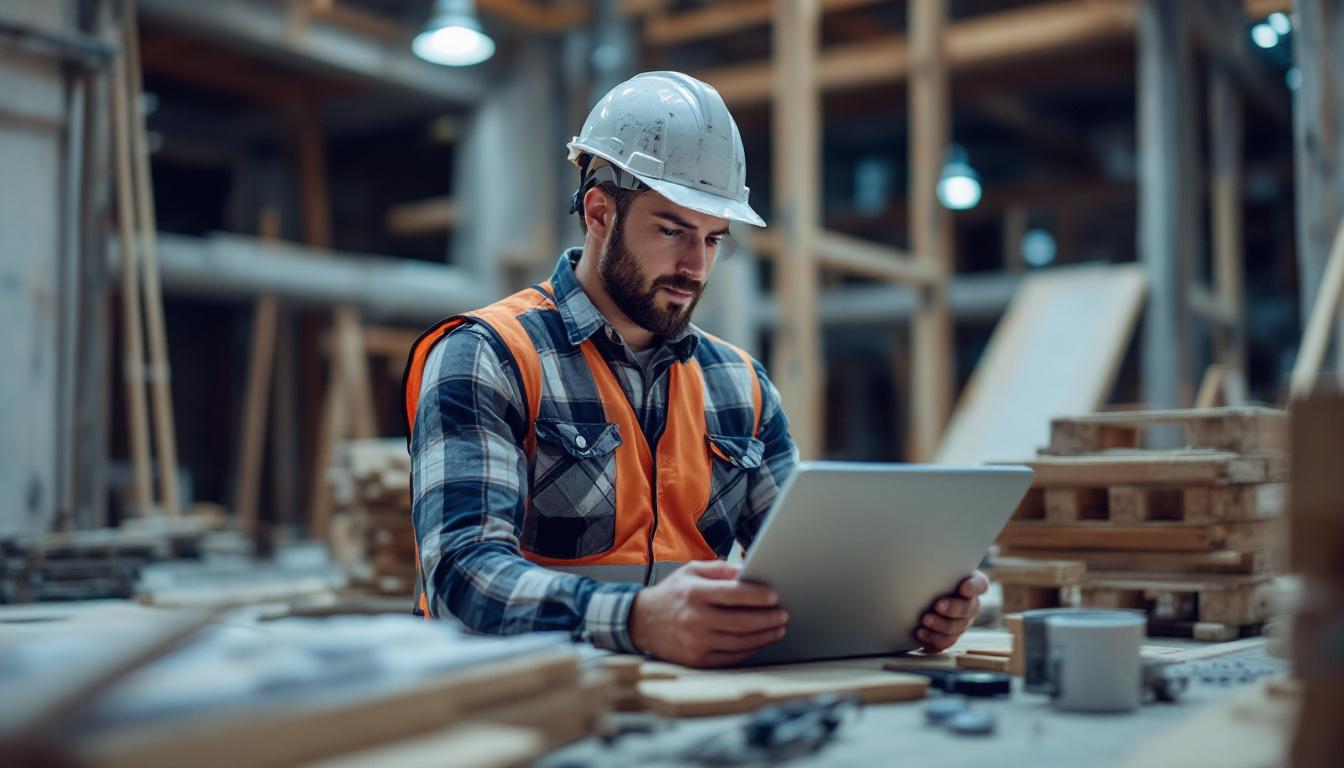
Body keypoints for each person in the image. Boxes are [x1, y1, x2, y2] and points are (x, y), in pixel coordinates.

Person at [402, 71, 987, 668]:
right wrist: (637, 620)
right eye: (672, 230)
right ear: (600, 213)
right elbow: (461, 575)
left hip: (682, 698)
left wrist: (905, 609)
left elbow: (807, 575)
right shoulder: (487, 355)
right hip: (519, 706)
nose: (695, 267)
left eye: (713, 239)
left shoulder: (740, 385)